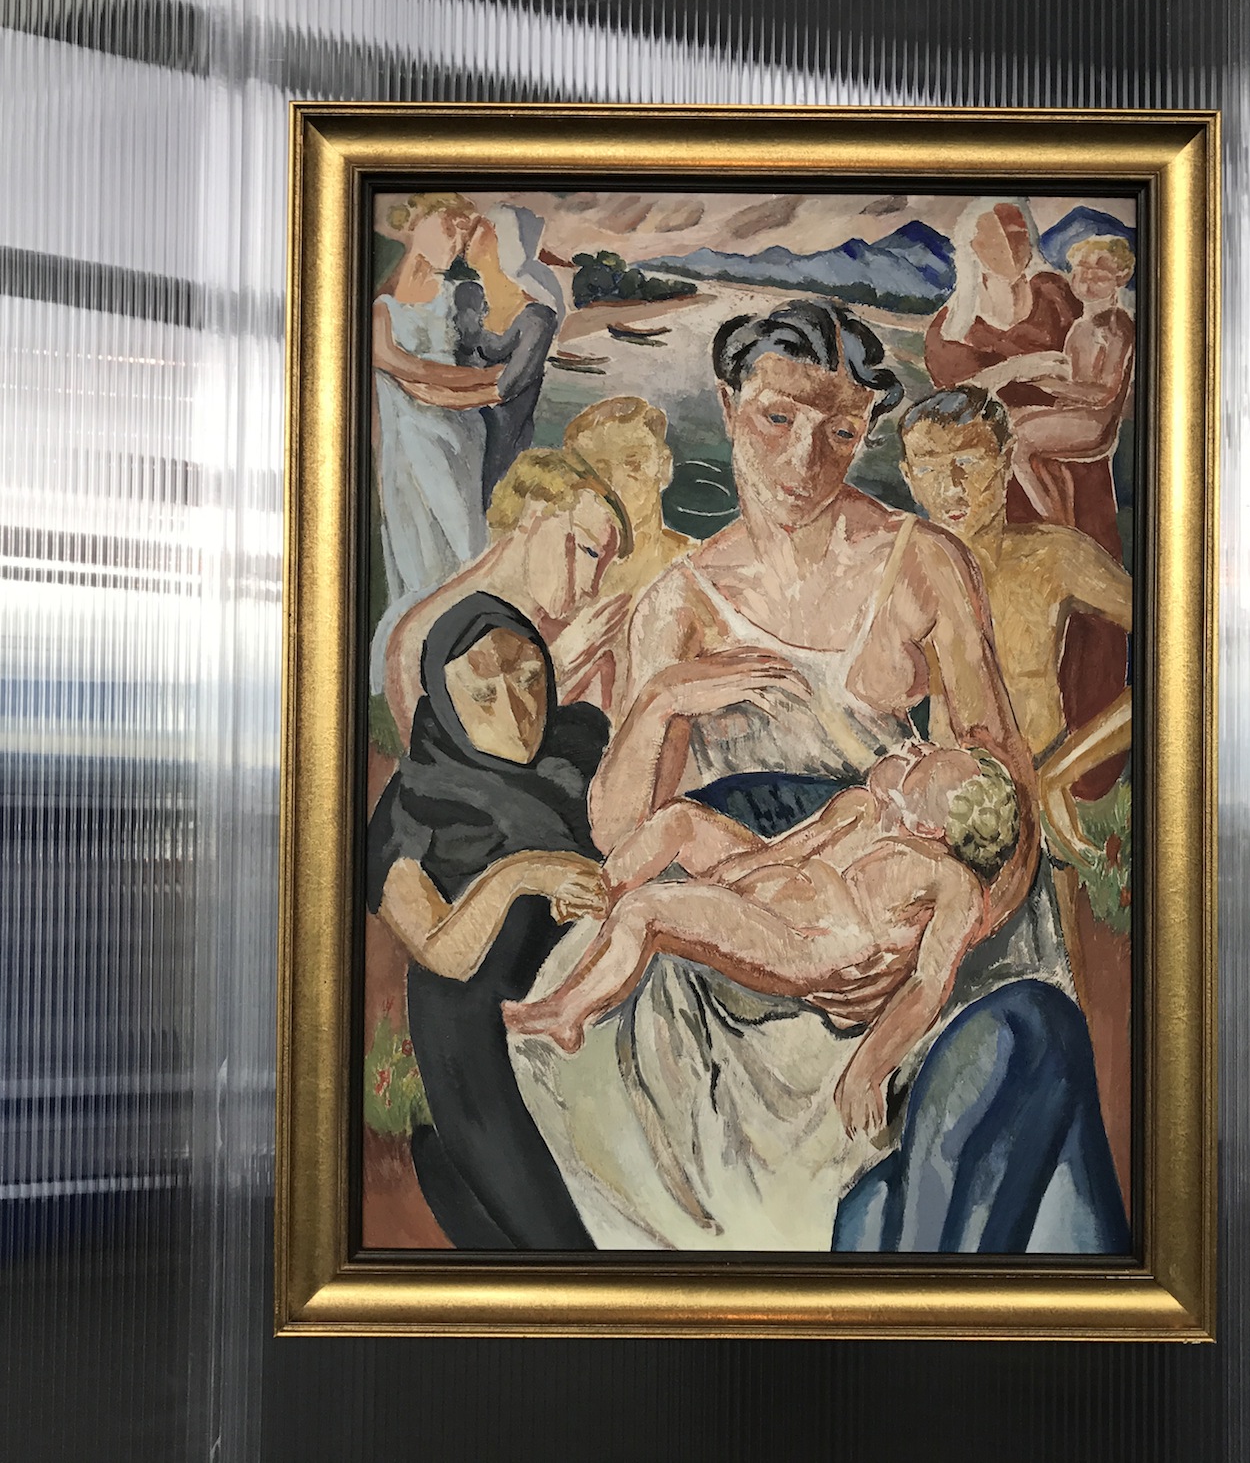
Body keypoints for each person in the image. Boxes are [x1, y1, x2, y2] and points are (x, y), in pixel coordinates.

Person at [509, 297, 1124, 1254]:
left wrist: (926, 941)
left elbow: (999, 790)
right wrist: (664, 699)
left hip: (907, 928)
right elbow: (622, 830)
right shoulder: (677, 603)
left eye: (840, 433)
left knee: (1003, 1075)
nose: (805, 460)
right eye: (777, 419)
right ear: (728, 405)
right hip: (744, 953)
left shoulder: (921, 564)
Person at [505, 744, 1018, 1141]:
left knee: (648, 911)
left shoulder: (953, 884)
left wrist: (868, 1069)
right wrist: (727, 884)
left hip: (806, 947)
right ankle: (597, 890)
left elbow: (929, 984)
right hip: (770, 898)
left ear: (934, 824)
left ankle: (565, 1015)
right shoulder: (861, 807)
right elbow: (782, 851)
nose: (915, 747)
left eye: (927, 762)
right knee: (680, 819)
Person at [365, 594, 612, 1249]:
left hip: (592, 993)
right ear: (444, 701)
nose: (516, 711)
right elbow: (443, 953)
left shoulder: (580, 746)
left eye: (529, 678)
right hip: (477, 1027)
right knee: (559, 1243)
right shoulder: (411, 805)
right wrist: (521, 873)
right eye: (482, 693)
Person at [897, 386, 1133, 856]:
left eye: (969, 462)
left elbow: (1180, 648)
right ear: (907, 477)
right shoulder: (902, 571)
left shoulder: (1054, 557)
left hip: (1042, 790)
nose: (951, 488)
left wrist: (1062, 772)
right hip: (940, 812)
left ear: (1006, 460)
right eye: (927, 470)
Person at [382, 448, 632, 740]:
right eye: (589, 551)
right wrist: (557, 665)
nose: (592, 587)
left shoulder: (584, 645)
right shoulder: (424, 636)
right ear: (534, 513)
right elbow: (450, 755)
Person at [371, 193, 506, 601]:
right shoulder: (380, 309)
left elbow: (497, 341)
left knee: (468, 548)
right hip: (409, 446)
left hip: (460, 437)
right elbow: (411, 372)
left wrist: (497, 383)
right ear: (416, 222)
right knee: (420, 551)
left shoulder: (460, 295)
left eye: (464, 235)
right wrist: (493, 383)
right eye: (450, 226)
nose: (456, 243)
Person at [559, 396, 697, 710]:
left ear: (664, 467)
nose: (616, 485)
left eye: (633, 463)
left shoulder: (700, 568)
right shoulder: (561, 581)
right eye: (598, 471)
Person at [1004, 234, 1139, 528]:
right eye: (1081, 272)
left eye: (1099, 276)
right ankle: (1055, 514)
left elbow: (1102, 395)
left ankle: (1054, 524)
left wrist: (1048, 383)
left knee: (1016, 441)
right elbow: (1075, 382)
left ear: (1121, 278)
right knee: (1006, 420)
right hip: (1073, 413)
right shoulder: (1080, 326)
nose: (1087, 282)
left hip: (1093, 424)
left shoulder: (1116, 327)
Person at [462, 205, 564, 510]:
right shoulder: (467, 295)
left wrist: (430, 392)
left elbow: (504, 389)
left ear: (503, 242)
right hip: (458, 431)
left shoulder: (538, 318)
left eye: (481, 230)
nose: (468, 235)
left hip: (502, 446)